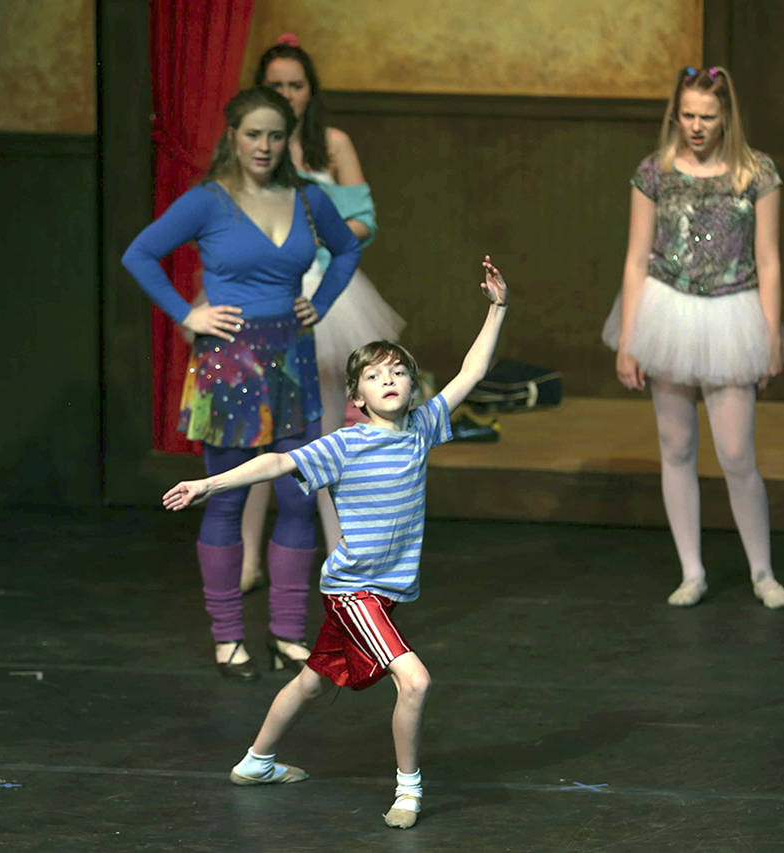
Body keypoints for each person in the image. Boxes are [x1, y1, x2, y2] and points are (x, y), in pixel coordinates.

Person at [163, 256, 510, 830]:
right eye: (375, 376)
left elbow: (471, 373)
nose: (390, 381)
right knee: (415, 680)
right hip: (356, 592)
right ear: (357, 396)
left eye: (398, 372)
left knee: (313, 682)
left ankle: (256, 761)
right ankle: (408, 790)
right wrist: (209, 482)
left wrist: (497, 308)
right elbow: (276, 460)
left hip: (386, 591)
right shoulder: (343, 445)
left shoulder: (422, 429)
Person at [122, 87, 361, 679]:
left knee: (298, 499)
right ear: (233, 136)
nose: (264, 145)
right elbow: (140, 254)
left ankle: (287, 634)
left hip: (292, 358)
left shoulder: (307, 198)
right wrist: (187, 314)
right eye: (254, 134)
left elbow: (348, 248)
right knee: (225, 498)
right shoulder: (209, 201)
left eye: (275, 135)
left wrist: (321, 302)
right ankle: (228, 636)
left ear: (287, 141)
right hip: (229, 364)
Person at [602, 66, 784, 609]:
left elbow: (769, 259)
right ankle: (692, 571)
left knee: (736, 452)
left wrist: (769, 334)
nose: (695, 125)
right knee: (677, 446)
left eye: (707, 116)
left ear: (726, 117)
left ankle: (762, 572)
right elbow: (637, 258)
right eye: (687, 114)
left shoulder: (755, 173)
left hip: (733, 312)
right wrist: (629, 340)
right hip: (669, 311)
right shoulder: (655, 171)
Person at [233, 34, 406, 594]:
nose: (286, 93)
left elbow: (365, 219)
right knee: (263, 431)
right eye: (276, 85)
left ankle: (341, 556)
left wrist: (315, 235)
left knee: (327, 432)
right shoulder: (255, 148)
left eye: (295, 84)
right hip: (267, 293)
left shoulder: (332, 143)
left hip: (328, 290)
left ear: (311, 91)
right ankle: (248, 557)